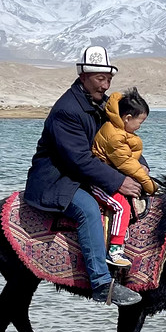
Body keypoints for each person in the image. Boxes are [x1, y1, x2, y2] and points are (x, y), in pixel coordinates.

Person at [24, 46, 144, 306]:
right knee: (88, 209)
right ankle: (101, 282)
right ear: (83, 76)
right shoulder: (67, 110)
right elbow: (78, 160)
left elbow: (120, 142)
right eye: (100, 79)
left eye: (109, 79)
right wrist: (119, 181)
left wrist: (140, 169)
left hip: (84, 174)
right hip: (57, 178)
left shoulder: (103, 105)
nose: (106, 85)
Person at [90, 87, 156, 268]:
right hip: (98, 181)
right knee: (121, 206)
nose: (140, 127)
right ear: (127, 118)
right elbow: (124, 161)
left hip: (112, 173)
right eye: (140, 122)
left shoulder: (120, 128)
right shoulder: (115, 135)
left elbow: (130, 157)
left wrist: (143, 167)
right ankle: (115, 250)